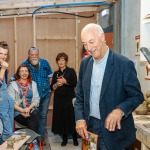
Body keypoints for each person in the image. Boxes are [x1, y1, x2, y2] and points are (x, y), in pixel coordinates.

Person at [74, 23, 144, 150]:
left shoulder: (123, 64)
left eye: (91, 41)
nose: (88, 48)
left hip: (114, 132)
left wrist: (120, 110)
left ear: (102, 37)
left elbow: (137, 96)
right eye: (85, 44)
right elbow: (79, 95)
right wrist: (79, 118)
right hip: (90, 130)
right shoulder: (85, 63)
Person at [11, 47, 53, 145]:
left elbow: (50, 76)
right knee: (35, 116)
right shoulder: (24, 65)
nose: (34, 57)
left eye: (36, 55)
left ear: (38, 54)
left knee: (43, 116)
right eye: (32, 55)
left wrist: (50, 88)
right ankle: (33, 138)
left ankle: (40, 137)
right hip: (32, 98)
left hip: (45, 95)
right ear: (28, 55)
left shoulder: (45, 63)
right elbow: (14, 77)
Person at [8, 64, 40, 150]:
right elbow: (11, 103)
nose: (24, 73)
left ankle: (31, 142)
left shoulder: (33, 84)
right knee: (34, 120)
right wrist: (23, 110)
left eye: (26, 71)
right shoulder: (12, 85)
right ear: (18, 73)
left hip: (30, 110)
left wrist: (28, 109)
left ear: (29, 73)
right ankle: (34, 142)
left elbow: (36, 100)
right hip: (18, 112)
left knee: (35, 113)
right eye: (22, 71)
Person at [51, 52, 78, 146]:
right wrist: (56, 85)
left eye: (63, 60)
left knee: (71, 118)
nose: (61, 62)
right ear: (57, 62)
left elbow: (75, 83)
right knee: (61, 118)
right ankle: (64, 139)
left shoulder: (71, 71)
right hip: (58, 99)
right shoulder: (56, 73)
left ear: (66, 61)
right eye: (59, 60)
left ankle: (75, 138)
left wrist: (65, 81)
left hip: (69, 98)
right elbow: (51, 88)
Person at [0, 41, 14, 143]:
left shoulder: (3, 67)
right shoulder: (3, 68)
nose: (3, 56)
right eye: (0, 53)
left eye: (5, 54)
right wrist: (3, 69)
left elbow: (4, 85)